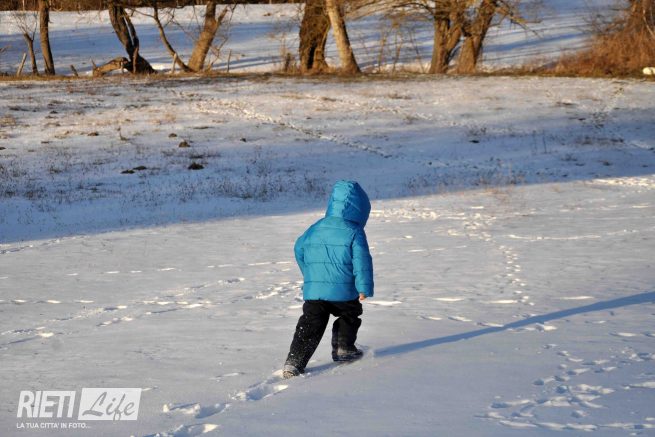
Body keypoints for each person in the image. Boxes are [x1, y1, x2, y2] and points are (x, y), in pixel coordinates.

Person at [283, 180, 374, 379]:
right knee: (350, 314)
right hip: (344, 291)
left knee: (310, 323)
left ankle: (295, 361)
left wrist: (310, 275)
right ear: (360, 210)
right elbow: (362, 261)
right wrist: (364, 288)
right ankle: (343, 347)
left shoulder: (316, 227)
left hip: (315, 291)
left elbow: (299, 249)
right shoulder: (354, 231)